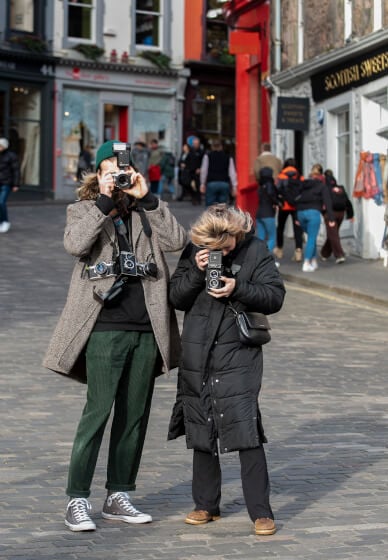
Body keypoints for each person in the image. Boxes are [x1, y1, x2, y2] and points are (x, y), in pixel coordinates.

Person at [43, 139, 186, 532]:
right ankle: (76, 499)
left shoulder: (145, 209)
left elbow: (177, 242)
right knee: (99, 411)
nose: (118, 177)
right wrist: (105, 202)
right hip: (104, 324)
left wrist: (149, 198)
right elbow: (75, 244)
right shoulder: (85, 208)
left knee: (134, 416)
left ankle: (119, 494)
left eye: (122, 170)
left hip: (147, 325)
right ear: (99, 174)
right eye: (110, 170)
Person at [167, 204, 285, 536]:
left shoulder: (256, 249)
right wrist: (195, 269)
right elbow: (176, 296)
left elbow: (275, 297)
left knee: (244, 424)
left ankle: (261, 511)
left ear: (236, 234)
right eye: (212, 249)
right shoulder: (196, 250)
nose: (219, 252)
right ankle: (206, 504)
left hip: (238, 351)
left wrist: (238, 288)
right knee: (202, 422)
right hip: (198, 348)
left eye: (225, 247)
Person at [295, 164, 335, 272]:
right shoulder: (322, 186)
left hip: (300, 213)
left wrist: (296, 217)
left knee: (310, 237)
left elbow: (296, 198)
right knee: (312, 238)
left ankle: (313, 261)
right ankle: (307, 262)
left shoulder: (303, 184)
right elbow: (328, 202)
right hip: (313, 212)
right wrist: (331, 219)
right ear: (321, 175)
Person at [320, 169, 354, 264]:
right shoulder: (341, 188)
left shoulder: (325, 188)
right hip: (341, 214)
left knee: (333, 234)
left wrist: (327, 215)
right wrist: (350, 214)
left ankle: (339, 255)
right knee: (333, 233)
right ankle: (325, 253)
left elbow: (325, 203)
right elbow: (347, 201)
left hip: (330, 214)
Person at [274, 158, 304, 262]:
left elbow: (276, 189)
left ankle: (280, 249)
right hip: (296, 206)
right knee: (297, 229)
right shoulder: (300, 176)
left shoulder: (281, 176)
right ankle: (298, 251)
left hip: (284, 206)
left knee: (280, 227)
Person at [200, 139, 237, 207]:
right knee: (222, 207)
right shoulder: (228, 157)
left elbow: (204, 171)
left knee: (210, 207)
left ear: (212, 147)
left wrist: (202, 184)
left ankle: (210, 217)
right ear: (221, 147)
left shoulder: (208, 156)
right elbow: (232, 172)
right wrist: (234, 186)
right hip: (224, 183)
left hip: (211, 183)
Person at [256, 166, 281, 259]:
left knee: (261, 239)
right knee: (271, 238)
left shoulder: (260, 185)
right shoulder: (269, 184)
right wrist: (277, 202)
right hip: (268, 214)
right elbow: (271, 195)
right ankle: (266, 259)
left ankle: (258, 260)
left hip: (259, 213)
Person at [0, 137, 20, 233]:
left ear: (4, 146)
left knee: (1, 202)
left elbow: (16, 170)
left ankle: (5, 221)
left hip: (6, 183)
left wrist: (16, 184)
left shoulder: (11, 156)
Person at [185, 137, 204, 205]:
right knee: (190, 185)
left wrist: (200, 168)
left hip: (198, 172)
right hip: (191, 172)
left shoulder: (201, 152)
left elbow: (204, 162)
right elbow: (187, 161)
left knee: (198, 186)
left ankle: (198, 199)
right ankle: (193, 197)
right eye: (194, 144)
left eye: (197, 144)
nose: (196, 145)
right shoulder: (191, 152)